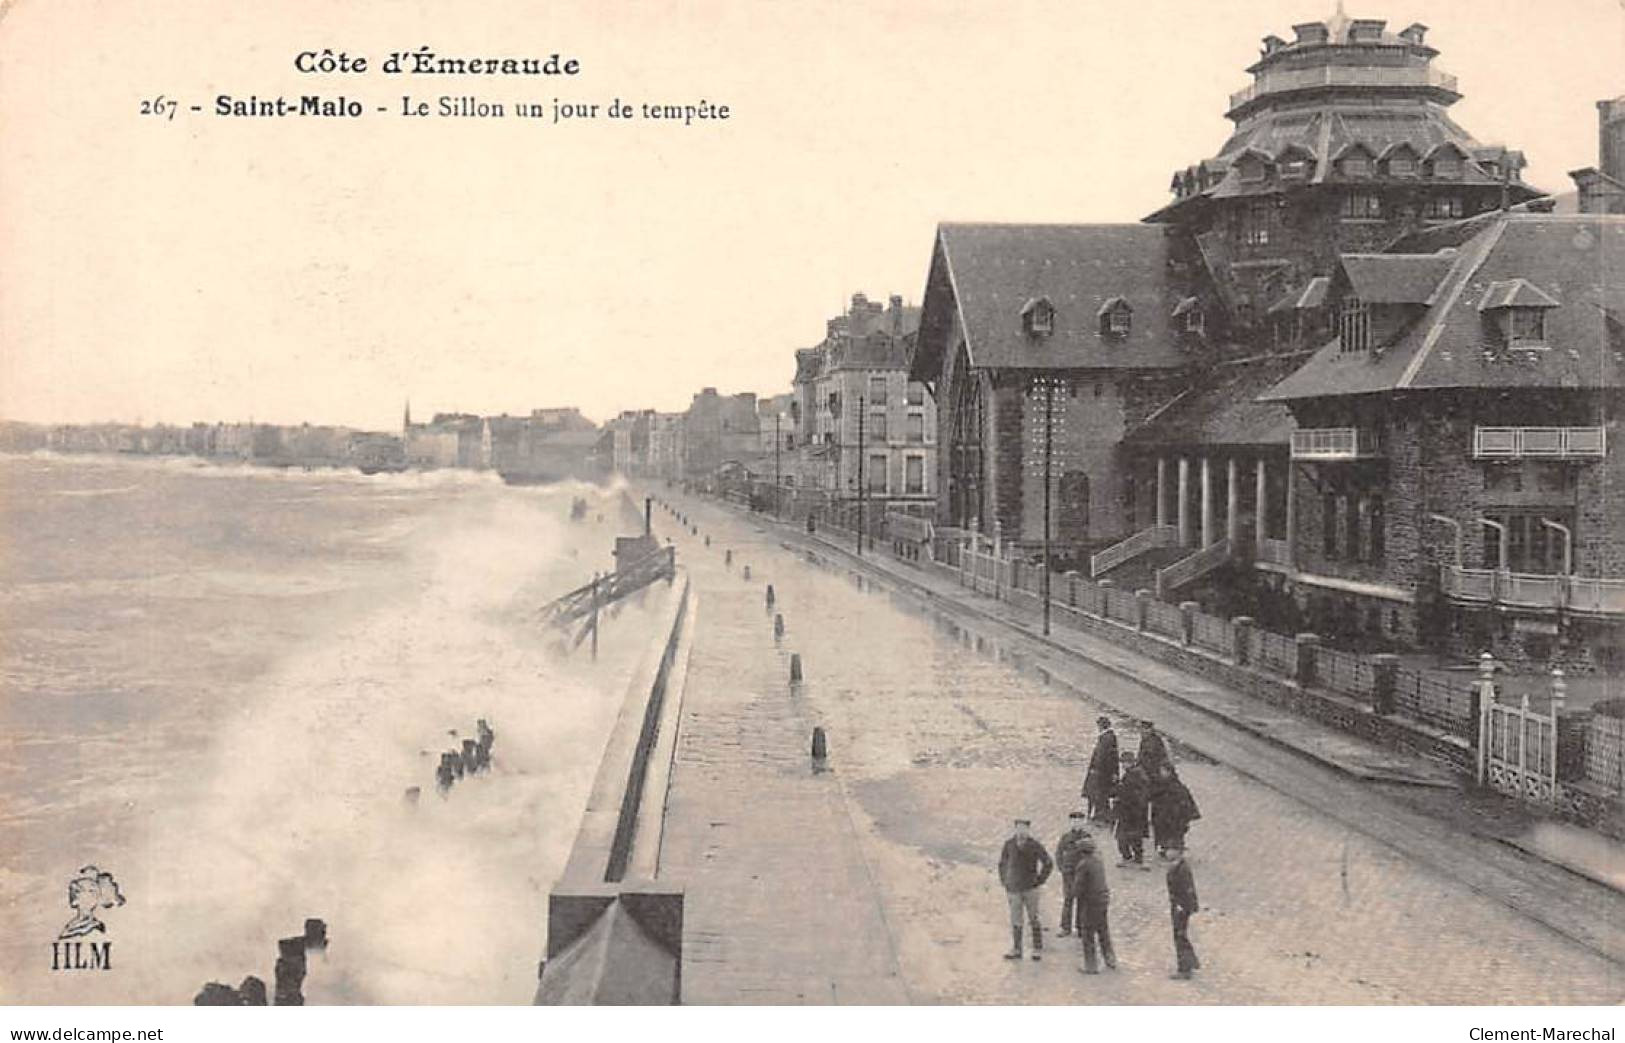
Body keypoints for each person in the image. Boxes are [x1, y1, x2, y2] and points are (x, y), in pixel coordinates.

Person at [998, 818, 1053, 962]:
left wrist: (1040, 880)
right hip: (1014, 889)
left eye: (1024, 828)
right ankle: (1017, 948)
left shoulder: (1035, 845)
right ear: (1015, 829)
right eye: (1019, 828)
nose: (1021, 831)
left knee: (1034, 918)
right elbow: (1002, 863)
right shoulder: (1009, 845)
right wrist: (1004, 881)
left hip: (1031, 889)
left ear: (1028, 830)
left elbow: (1048, 863)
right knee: (1016, 919)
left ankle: (1037, 949)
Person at [1072, 834, 1116, 974]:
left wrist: (1073, 894)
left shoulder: (1083, 865)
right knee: (1103, 930)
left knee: (1088, 933)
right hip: (1102, 899)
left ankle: (1091, 965)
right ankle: (1110, 958)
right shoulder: (1098, 861)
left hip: (1090, 902)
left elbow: (1078, 887)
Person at [1053, 812, 1091, 937]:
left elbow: (1092, 854)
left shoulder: (1087, 837)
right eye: (1074, 821)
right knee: (1068, 899)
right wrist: (1061, 867)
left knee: (1082, 900)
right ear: (1071, 823)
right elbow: (1059, 853)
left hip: (1082, 873)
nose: (1077, 824)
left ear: (1083, 822)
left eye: (1079, 821)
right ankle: (1065, 927)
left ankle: (1080, 927)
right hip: (1068, 873)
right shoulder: (1066, 837)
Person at [1151, 764, 1201, 859]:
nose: (1162, 773)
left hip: (1174, 818)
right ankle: (1166, 848)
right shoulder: (1159, 784)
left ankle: (1174, 850)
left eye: (1164, 771)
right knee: (1164, 834)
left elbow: (1184, 803)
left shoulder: (1177, 787)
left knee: (1173, 835)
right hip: (1163, 817)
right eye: (1161, 770)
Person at [1165, 846, 1201, 979]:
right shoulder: (1177, 866)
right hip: (1178, 904)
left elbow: (1187, 889)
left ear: (1178, 852)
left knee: (1180, 935)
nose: (1167, 853)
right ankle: (1190, 961)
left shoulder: (1182, 869)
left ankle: (1185, 968)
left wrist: (1182, 905)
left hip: (1181, 906)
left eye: (1170, 850)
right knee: (1180, 934)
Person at [1114, 750, 1151, 870]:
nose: (1123, 765)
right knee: (1134, 836)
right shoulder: (1136, 774)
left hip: (1130, 811)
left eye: (1125, 763)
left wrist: (1119, 790)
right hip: (1134, 812)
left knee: (1124, 836)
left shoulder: (1133, 775)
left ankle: (1129, 858)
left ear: (1130, 763)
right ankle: (1136, 858)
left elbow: (1131, 793)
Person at [1081, 716, 1120, 823]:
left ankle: (1102, 816)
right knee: (1101, 794)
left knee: (1100, 794)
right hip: (1103, 772)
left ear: (1101, 726)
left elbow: (1104, 757)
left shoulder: (1107, 738)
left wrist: (1096, 770)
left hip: (1102, 773)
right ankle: (1101, 814)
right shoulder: (1107, 737)